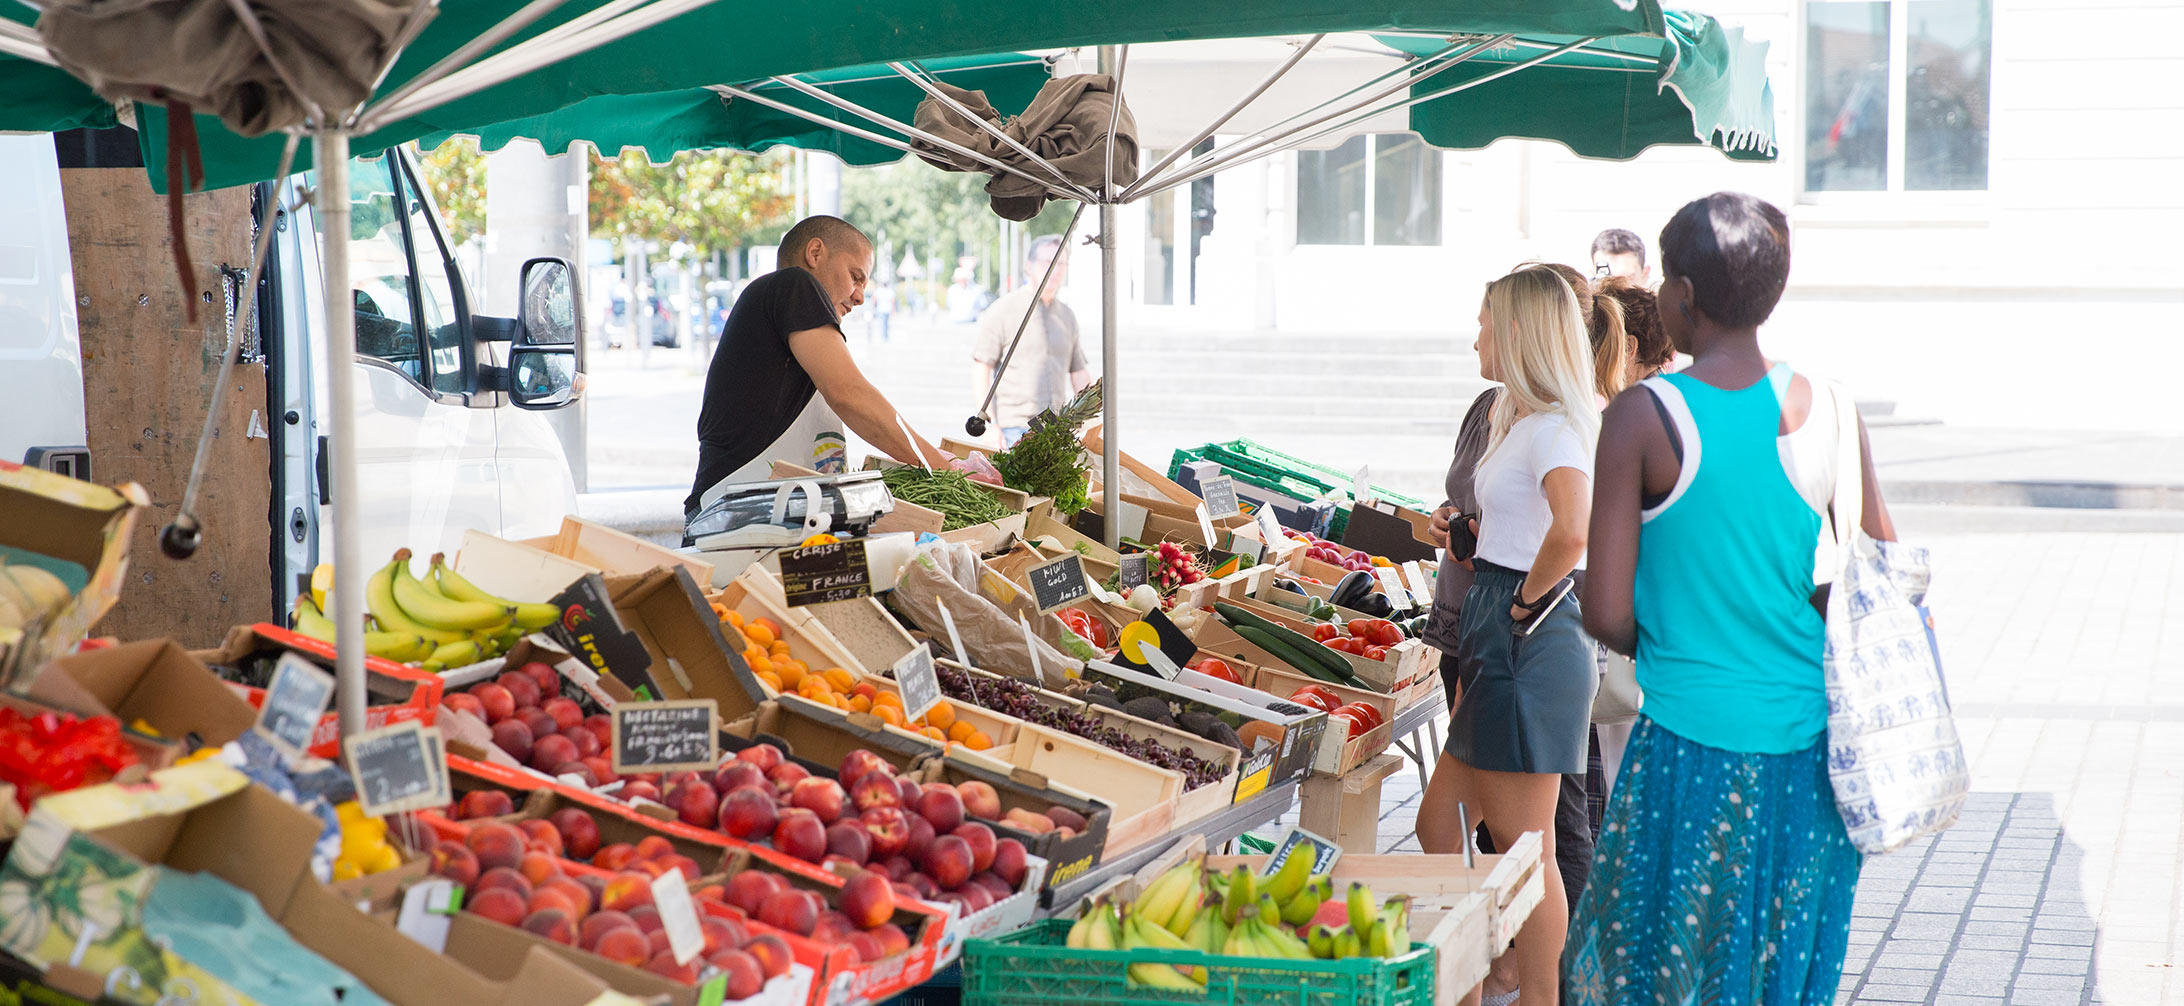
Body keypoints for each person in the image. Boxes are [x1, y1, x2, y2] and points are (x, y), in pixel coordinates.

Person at [1567, 192, 1895, 1005]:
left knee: (1651, 974)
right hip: (1808, 760)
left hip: (1687, 747)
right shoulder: (1830, 407)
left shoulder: (1645, 415)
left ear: (1680, 295)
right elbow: (1877, 569)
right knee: (1775, 979)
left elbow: (1604, 612)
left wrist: (1689, 623)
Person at [1415, 265, 1599, 1006]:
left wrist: (1523, 601)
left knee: (1530, 855)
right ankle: (1475, 973)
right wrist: (1472, 538)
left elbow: (1574, 528)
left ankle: (1537, 996)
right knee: (1438, 825)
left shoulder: (1554, 424)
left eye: (1485, 323)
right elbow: (1528, 525)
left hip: (1526, 638)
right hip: (1501, 624)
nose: (1475, 339)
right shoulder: (1519, 420)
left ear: (1517, 331)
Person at [684, 215, 951, 524]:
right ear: (814, 253)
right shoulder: (794, 284)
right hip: (732, 516)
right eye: (856, 276)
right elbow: (850, 395)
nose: (860, 296)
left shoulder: (786, 320)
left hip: (765, 514)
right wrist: (945, 468)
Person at [972, 235, 1090, 447]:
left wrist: (1089, 422)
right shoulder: (1003, 309)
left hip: (1056, 427)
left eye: (1061, 263)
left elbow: (1079, 372)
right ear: (1028, 266)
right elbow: (982, 367)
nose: (1055, 269)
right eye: (1048, 262)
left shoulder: (1067, 316)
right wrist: (990, 424)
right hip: (1013, 428)